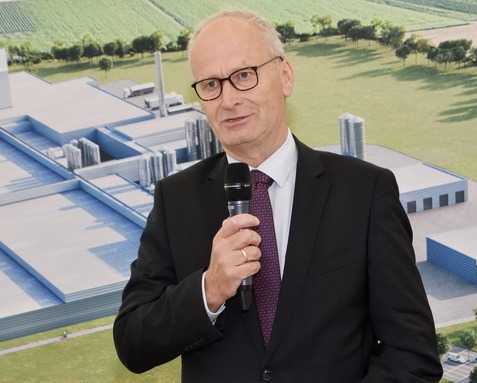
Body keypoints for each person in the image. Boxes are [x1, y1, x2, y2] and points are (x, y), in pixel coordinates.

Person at [113, 9, 442, 383]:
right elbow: (132, 343)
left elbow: (412, 354)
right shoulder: (176, 199)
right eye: (210, 84)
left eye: (243, 76)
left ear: (285, 76)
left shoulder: (364, 192)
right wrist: (209, 290)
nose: (228, 99)